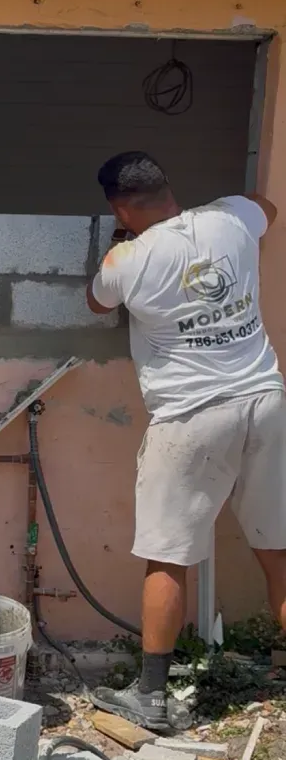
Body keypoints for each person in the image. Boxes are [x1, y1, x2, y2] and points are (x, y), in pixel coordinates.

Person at [85, 151, 285, 730]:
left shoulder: (128, 260)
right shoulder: (230, 218)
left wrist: (122, 243)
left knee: (169, 557)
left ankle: (150, 697)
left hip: (191, 416)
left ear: (120, 207)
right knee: (277, 552)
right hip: (265, 402)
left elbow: (98, 299)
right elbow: (266, 207)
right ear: (168, 187)